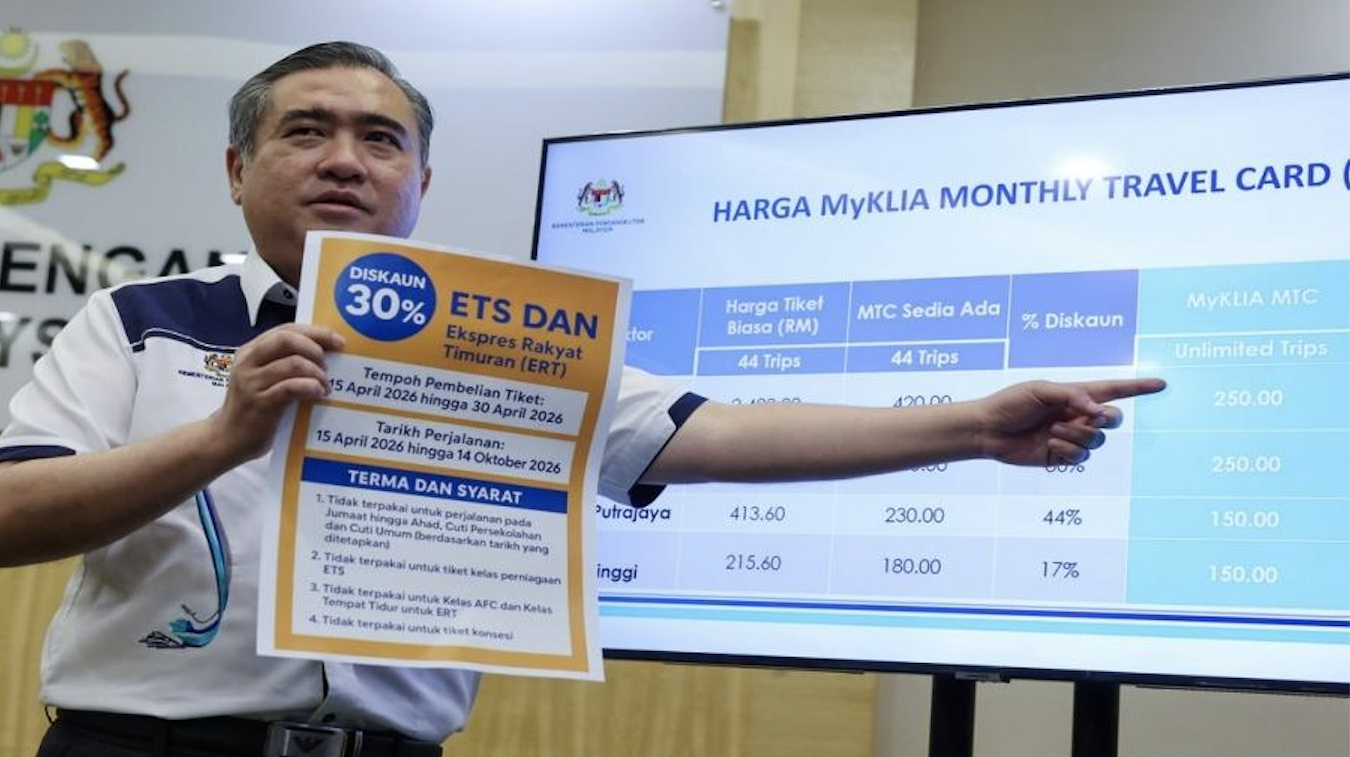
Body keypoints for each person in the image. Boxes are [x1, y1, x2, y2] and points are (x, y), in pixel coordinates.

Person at [0, 42, 1165, 757]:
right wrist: (223, 437)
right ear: (237, 169)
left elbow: (721, 432)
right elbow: (11, 517)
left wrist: (974, 426)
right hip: (143, 749)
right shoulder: (139, 319)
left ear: (420, 180)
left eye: (381, 139)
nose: (345, 158)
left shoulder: (495, 337)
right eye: (305, 131)